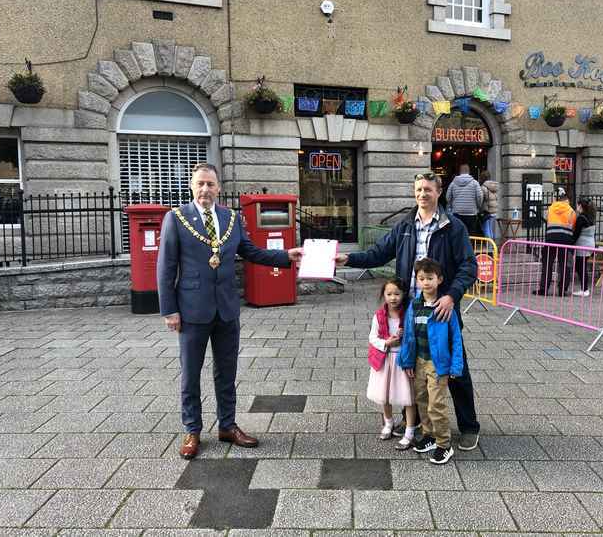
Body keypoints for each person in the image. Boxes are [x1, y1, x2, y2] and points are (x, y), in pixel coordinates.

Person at [157, 163, 303, 460]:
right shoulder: (176, 218)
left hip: (226, 309)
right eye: (200, 184)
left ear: (219, 187)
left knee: (227, 372)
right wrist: (170, 310)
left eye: (210, 184)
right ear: (191, 186)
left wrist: (285, 256)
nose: (205, 190)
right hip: (192, 310)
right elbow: (165, 267)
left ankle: (227, 425)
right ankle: (192, 429)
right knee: (190, 374)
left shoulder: (231, 218)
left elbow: (251, 252)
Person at [336, 172, 481, 452]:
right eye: (418, 189)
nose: (422, 194)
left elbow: (468, 267)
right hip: (410, 312)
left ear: (439, 192)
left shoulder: (454, 227)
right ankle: (419, 424)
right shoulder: (405, 225)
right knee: (412, 369)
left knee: (454, 368)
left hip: (441, 310)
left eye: (428, 189)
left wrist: (451, 296)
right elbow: (378, 253)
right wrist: (348, 257)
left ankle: (468, 426)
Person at [398, 258, 464, 465]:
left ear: (439, 279)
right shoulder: (414, 305)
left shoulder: (445, 306)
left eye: (430, 278)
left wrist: (455, 366)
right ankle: (429, 435)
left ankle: (444, 444)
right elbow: (409, 334)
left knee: (437, 404)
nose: (426, 282)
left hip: (438, 364)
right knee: (422, 400)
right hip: (419, 361)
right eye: (421, 279)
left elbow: (456, 338)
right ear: (416, 281)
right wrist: (407, 361)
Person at [366, 277, 418, 450]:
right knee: (385, 395)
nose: (393, 297)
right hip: (385, 358)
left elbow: (414, 338)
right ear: (384, 295)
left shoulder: (409, 314)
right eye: (389, 294)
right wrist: (386, 343)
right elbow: (373, 337)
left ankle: (409, 431)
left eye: (397, 293)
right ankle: (388, 423)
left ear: (403, 295)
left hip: (403, 360)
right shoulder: (379, 315)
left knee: (408, 398)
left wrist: (404, 337)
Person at [533, 187, 577, 296]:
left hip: (551, 238)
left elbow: (546, 219)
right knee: (564, 265)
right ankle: (562, 290)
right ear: (567, 199)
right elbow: (573, 226)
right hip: (565, 239)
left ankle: (543, 289)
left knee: (547, 263)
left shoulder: (551, 208)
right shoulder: (571, 211)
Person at [446, 164, 483, 237]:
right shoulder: (475, 183)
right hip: (471, 213)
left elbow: (448, 197)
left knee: (457, 233)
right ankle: (470, 248)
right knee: (471, 234)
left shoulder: (453, 183)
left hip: (457, 212)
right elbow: (480, 196)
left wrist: (451, 205)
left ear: (460, 172)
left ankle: (458, 248)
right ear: (469, 172)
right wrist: (478, 207)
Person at [570, 198, 596, 297]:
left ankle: (585, 289)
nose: (576, 207)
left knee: (581, 267)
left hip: (583, 245)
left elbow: (576, 233)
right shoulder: (590, 217)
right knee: (582, 266)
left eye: (577, 205)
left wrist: (570, 244)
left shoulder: (581, 218)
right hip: (589, 244)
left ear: (580, 206)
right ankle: (584, 289)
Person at [478, 170, 499, 240]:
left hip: (486, 212)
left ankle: (490, 247)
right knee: (490, 229)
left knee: (486, 229)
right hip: (494, 212)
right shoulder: (494, 186)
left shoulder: (483, 187)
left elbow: (480, 200)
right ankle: (492, 247)